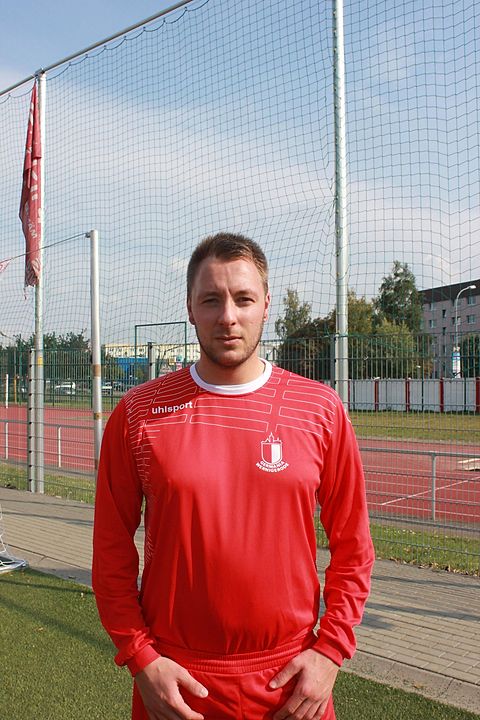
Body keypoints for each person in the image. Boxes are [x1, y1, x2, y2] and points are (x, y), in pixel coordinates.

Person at [92, 232, 375, 720]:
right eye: (211, 300)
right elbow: (111, 551)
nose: (228, 316)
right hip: (178, 680)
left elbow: (353, 545)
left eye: (243, 299)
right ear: (190, 308)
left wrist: (331, 650)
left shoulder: (320, 409)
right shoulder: (139, 414)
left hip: (290, 682)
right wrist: (140, 657)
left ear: (266, 304)